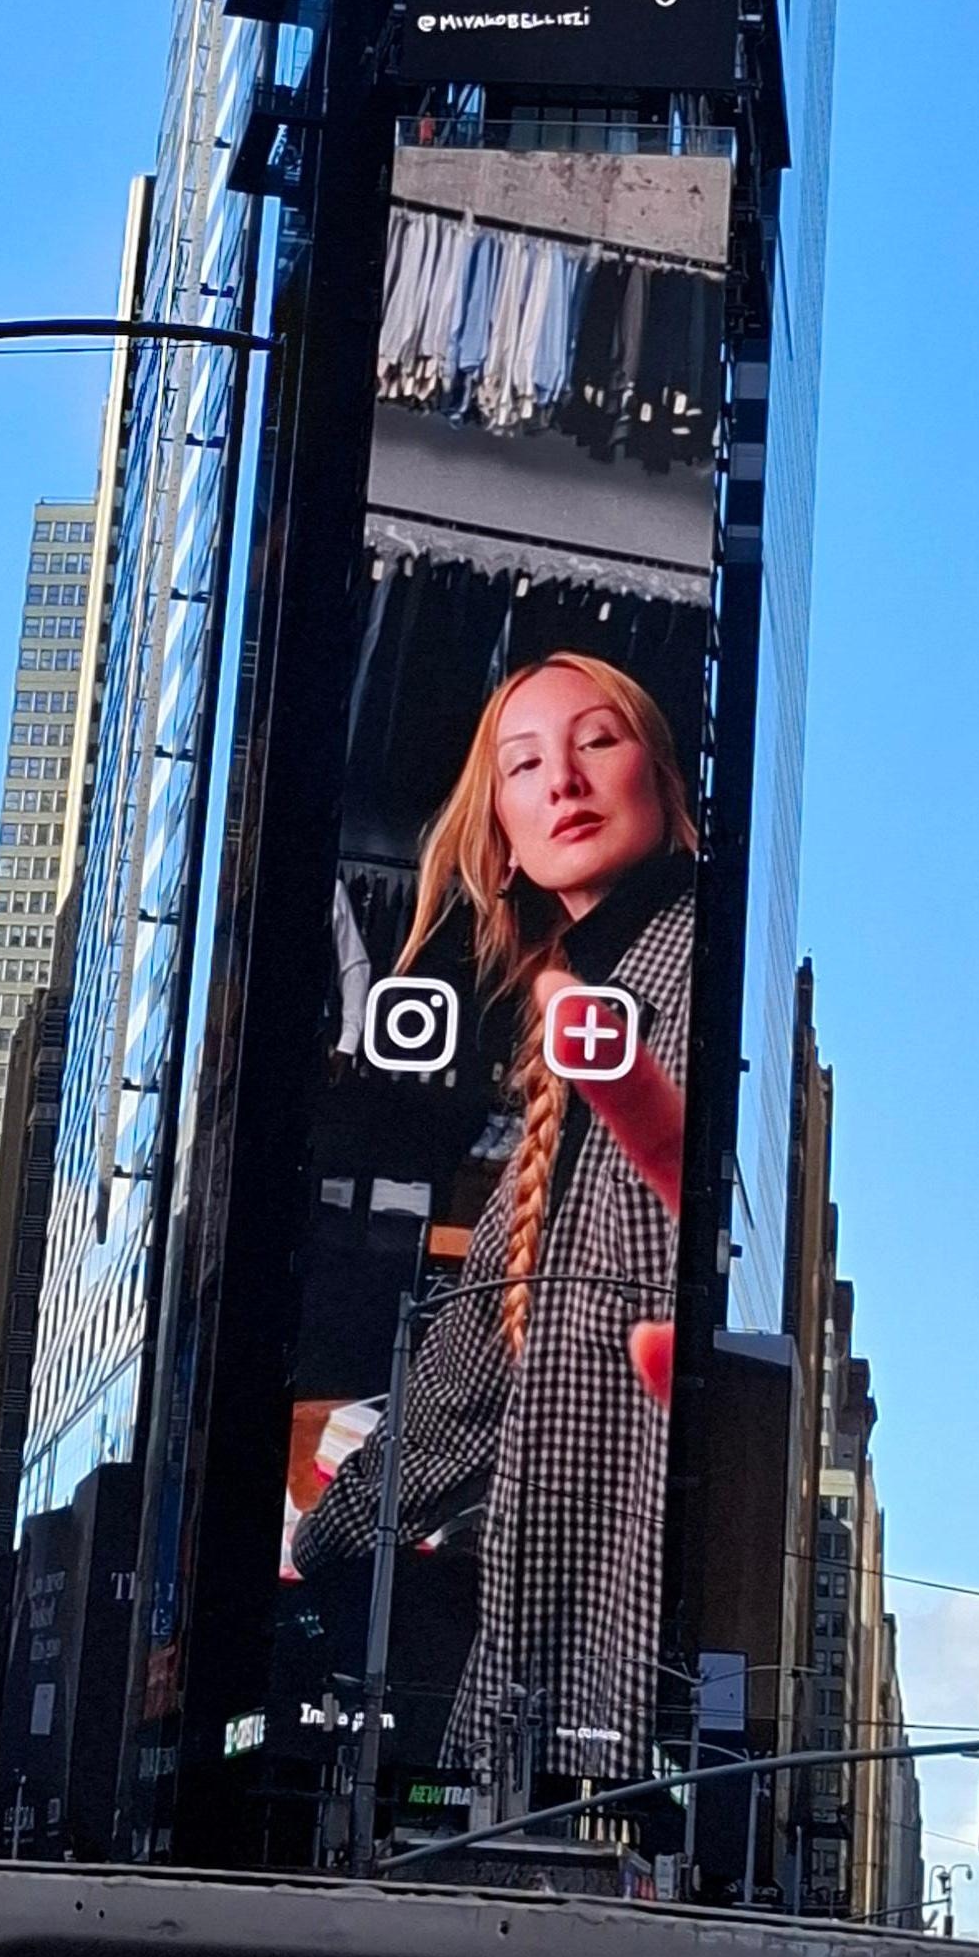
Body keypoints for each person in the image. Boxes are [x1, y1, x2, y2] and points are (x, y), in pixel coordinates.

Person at [293, 652, 695, 1791]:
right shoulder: (579, 1019)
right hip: (552, 1696)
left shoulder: (676, 984)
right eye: (525, 765)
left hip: (607, 1691)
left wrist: (307, 1549)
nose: (563, 779)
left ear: (662, 780)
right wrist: (313, 1544)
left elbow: (597, 1323)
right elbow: (468, 1382)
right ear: (502, 835)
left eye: (598, 743)